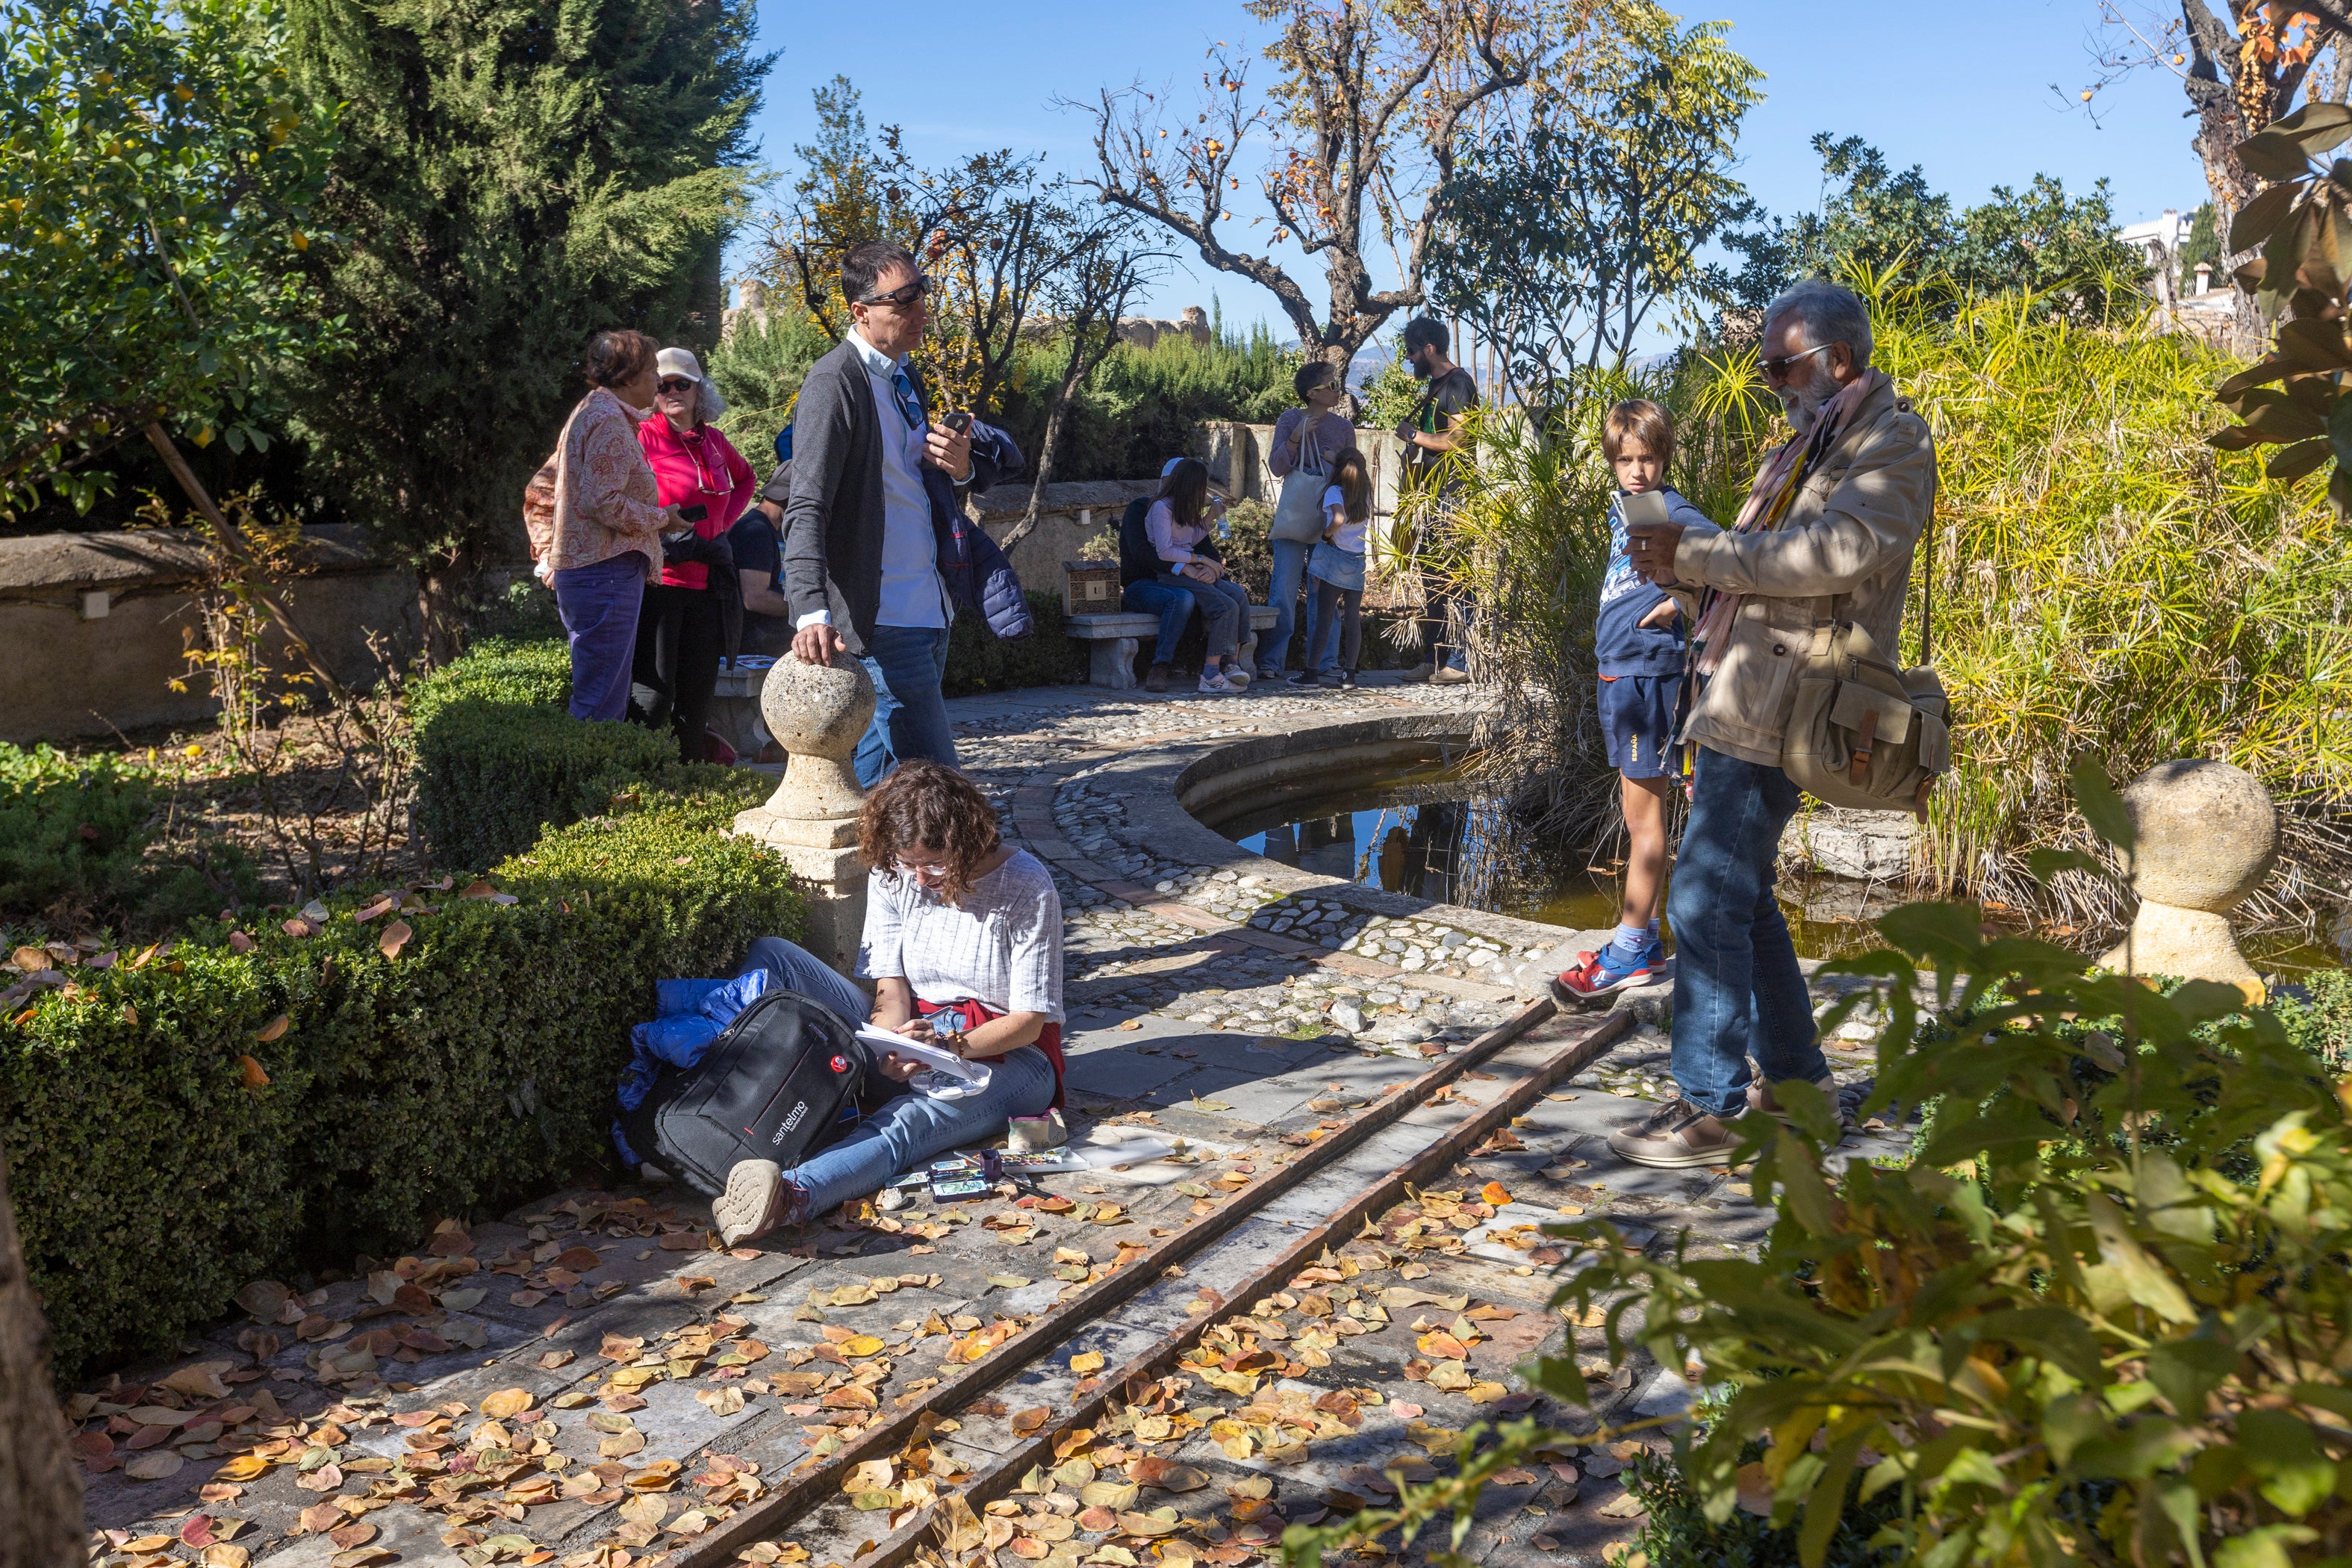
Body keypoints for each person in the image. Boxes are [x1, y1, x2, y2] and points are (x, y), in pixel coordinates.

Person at [1607, 280, 1937, 1169]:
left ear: (1838, 359)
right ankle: (1798, 1087)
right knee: (1740, 895)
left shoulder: (1892, 440)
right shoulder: (1809, 439)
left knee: (1704, 893)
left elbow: (1839, 553)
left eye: (1779, 365)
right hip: (1745, 689)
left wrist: (1702, 552)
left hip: (1792, 702)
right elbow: (1759, 575)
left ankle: (1711, 1106)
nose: (1767, 380)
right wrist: (1681, 575)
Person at [712, 761, 1065, 1244]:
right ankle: (715, 1115)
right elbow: (891, 991)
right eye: (906, 863)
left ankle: (791, 1196)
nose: (919, 879)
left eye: (934, 864)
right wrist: (890, 1045)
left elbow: (1028, 1022)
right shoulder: (893, 874)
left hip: (1011, 1057)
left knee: (909, 1121)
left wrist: (945, 1046)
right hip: (919, 1034)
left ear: (968, 843)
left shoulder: (1026, 884)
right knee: (775, 957)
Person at [780, 242, 1017, 787]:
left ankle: (858, 846)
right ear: (860, 311)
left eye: (922, 295)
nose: (921, 311)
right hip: (885, 620)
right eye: (903, 301)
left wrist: (959, 469)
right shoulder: (835, 382)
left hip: (930, 608)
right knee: (940, 785)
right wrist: (810, 609)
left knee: (878, 782)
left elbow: (912, 487)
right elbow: (807, 502)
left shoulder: (903, 377)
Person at [1554, 400, 1708, 1002]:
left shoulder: (1672, 509)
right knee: (1635, 813)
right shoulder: (1632, 507)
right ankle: (1643, 941)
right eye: (1625, 460)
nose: (1637, 471)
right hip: (1621, 675)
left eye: (1647, 458)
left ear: (1664, 458)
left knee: (1646, 822)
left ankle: (1630, 949)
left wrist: (1677, 604)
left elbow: (1729, 560)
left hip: (1647, 679)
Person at [527, 329, 672, 723]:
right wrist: (664, 519)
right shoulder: (608, 419)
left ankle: (594, 762)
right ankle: (593, 767)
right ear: (629, 376)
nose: (659, 380)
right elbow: (601, 501)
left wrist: (549, 555)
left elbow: (541, 489)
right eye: (653, 370)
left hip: (594, 575)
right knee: (601, 707)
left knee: (599, 698)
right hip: (606, 574)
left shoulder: (591, 412)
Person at [635, 346, 756, 761]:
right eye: (663, 385)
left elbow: (746, 479)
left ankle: (689, 782)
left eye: (682, 384)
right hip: (660, 582)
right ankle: (644, 781)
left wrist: (720, 526)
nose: (673, 392)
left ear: (698, 390)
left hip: (708, 586)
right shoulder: (642, 435)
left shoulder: (715, 441)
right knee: (654, 695)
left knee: (698, 694)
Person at [1393, 317, 1479, 686]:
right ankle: (1434, 658)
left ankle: (1460, 661)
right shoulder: (1435, 385)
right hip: (1429, 495)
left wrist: (1414, 434)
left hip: (1453, 494)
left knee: (1457, 579)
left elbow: (1459, 439)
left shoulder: (1459, 383)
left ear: (1429, 348)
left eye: (1412, 351)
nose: (1409, 358)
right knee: (1432, 579)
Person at [1260, 360, 1355, 682]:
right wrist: (1295, 438)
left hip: (1328, 519)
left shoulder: (1344, 428)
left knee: (1324, 593)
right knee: (1283, 591)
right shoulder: (1290, 419)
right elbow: (1277, 467)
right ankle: (1272, 661)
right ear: (1312, 393)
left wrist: (1336, 462)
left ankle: (1324, 661)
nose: (1338, 390)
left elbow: (1353, 474)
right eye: (1332, 385)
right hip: (1296, 515)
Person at [1146, 457, 1254, 694]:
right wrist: (1201, 560)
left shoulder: (1183, 507)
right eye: (1201, 486)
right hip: (1174, 573)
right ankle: (1211, 675)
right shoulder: (1161, 508)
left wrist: (1209, 518)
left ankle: (1232, 663)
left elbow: (1188, 540)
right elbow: (1165, 551)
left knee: (1237, 595)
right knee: (1225, 607)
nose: (1204, 492)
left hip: (1190, 568)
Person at [1291, 445, 1372, 689]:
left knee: (1324, 617)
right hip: (1357, 560)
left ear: (1339, 470)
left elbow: (1338, 518)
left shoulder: (1335, 491)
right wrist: (1334, 458)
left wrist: (1326, 536)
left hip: (1335, 558)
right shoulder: (1365, 493)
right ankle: (1349, 676)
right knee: (1353, 619)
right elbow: (1350, 464)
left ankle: (1311, 673)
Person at [1116, 490, 1197, 694]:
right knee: (1181, 599)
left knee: (1229, 593)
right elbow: (1142, 553)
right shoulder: (1139, 508)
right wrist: (1181, 567)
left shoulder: (1185, 510)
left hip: (1177, 581)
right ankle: (1160, 666)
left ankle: (1222, 665)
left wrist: (1212, 568)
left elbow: (1203, 548)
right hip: (1141, 585)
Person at [731, 459, 795, 658]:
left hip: (771, 635)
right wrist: (807, 610)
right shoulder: (755, 531)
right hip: (755, 641)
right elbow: (755, 598)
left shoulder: (776, 529)